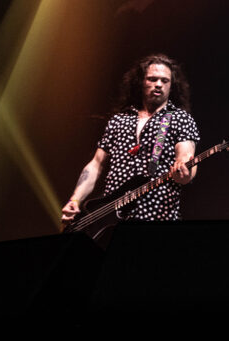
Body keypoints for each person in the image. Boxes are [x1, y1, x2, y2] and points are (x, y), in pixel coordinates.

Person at [61, 53, 200, 227]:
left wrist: (184, 172)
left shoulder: (179, 118)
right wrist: (75, 199)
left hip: (157, 216)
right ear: (141, 82)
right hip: (112, 218)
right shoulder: (119, 120)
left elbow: (186, 157)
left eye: (165, 81)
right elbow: (96, 164)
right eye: (152, 79)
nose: (158, 84)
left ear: (171, 86)